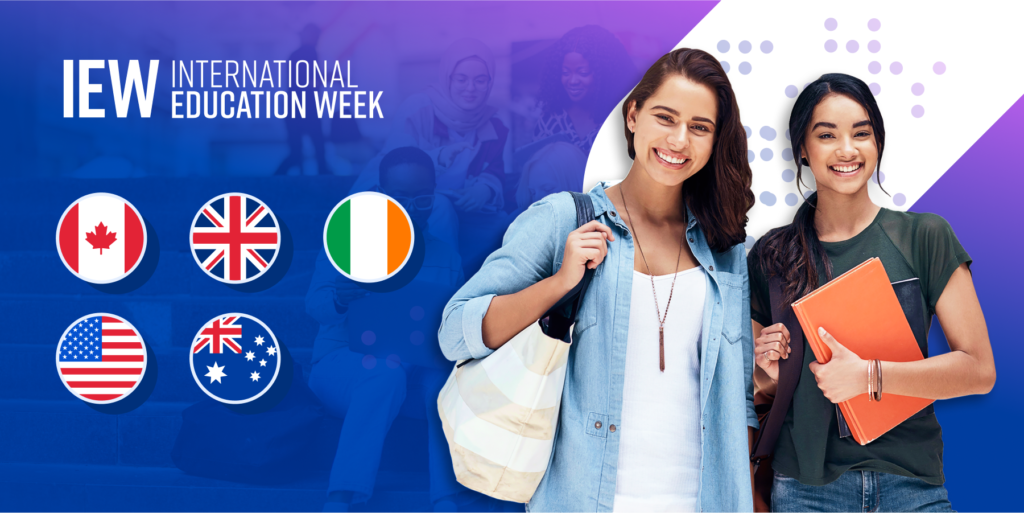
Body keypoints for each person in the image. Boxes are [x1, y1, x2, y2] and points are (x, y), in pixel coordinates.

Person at [439, 48, 757, 513]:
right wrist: (560, 282)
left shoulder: (726, 249)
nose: (679, 140)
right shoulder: (561, 219)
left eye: (700, 127)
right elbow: (454, 332)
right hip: (584, 499)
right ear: (633, 115)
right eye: (665, 118)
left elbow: (740, 399)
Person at [747, 73, 996, 512]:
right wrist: (765, 368)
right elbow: (756, 388)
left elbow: (979, 370)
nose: (847, 149)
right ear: (802, 149)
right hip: (807, 492)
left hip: (910, 484)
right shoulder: (772, 255)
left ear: (878, 142)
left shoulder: (926, 236)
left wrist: (870, 375)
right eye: (826, 135)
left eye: (861, 133)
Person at [306, 147, 465, 513]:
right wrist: (341, 298)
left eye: (423, 197)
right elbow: (314, 308)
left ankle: (446, 498)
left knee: (440, 381)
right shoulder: (347, 243)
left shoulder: (446, 256)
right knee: (384, 372)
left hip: (415, 374)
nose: (411, 207)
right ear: (380, 194)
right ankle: (342, 496)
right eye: (399, 197)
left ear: (435, 195)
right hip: (342, 366)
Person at [350, 38, 510, 218]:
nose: (470, 88)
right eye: (461, 79)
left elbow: (494, 169)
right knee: (441, 207)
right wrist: (438, 158)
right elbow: (397, 169)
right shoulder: (417, 109)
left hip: (456, 210)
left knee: (501, 222)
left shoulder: (494, 124)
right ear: (447, 77)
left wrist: (485, 190)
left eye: (480, 80)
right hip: (396, 203)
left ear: (490, 82)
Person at [533, 25, 636, 155]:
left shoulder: (625, 120)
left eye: (583, 72)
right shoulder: (549, 120)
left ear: (604, 74)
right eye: (565, 73)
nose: (572, 81)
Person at [274, 23, 332, 176]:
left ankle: (273, 181)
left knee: (297, 153)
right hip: (306, 108)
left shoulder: (296, 54)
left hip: (295, 108)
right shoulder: (309, 53)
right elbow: (309, 80)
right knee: (318, 150)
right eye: (315, 36)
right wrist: (330, 77)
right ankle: (322, 181)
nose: (317, 39)